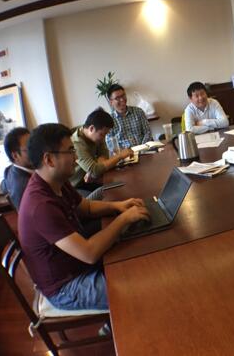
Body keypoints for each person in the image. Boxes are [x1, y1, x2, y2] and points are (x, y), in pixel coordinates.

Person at [18, 123, 149, 310]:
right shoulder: (40, 207)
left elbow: (85, 207)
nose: (76, 156)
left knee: (136, 252)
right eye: (70, 151)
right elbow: (89, 253)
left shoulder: (56, 181)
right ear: (49, 160)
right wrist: (124, 218)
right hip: (66, 286)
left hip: (78, 263)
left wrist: (118, 206)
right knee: (138, 289)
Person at [70, 108, 133, 194]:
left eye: (105, 134)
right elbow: (95, 171)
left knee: (122, 184)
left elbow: (103, 155)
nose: (104, 138)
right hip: (76, 186)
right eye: (102, 134)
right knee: (109, 195)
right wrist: (120, 156)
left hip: (90, 179)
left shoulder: (95, 133)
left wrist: (93, 171)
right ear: (91, 128)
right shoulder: (76, 143)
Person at [105, 84, 152, 149]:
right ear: (111, 102)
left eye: (123, 95)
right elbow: (110, 142)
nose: (122, 99)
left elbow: (147, 132)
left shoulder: (138, 111)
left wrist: (142, 148)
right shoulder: (109, 120)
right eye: (117, 98)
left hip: (143, 149)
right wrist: (124, 152)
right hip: (124, 154)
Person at [0, 127, 33, 210]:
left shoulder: (8, 170)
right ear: (15, 156)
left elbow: (3, 185)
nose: (36, 150)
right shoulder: (28, 187)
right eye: (29, 148)